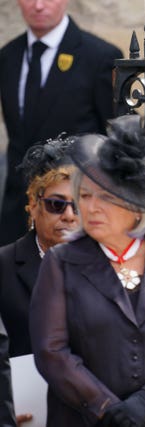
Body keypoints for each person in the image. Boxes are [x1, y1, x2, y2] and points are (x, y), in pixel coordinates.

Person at [29, 115, 145, 426]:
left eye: (105, 197)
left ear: (138, 205)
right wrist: (104, 406)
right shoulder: (60, 264)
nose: (90, 208)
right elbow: (51, 352)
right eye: (86, 195)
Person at [0, 0, 123, 246]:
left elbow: (114, 138)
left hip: (74, 206)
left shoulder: (100, 56)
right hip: (18, 210)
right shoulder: (7, 56)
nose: (38, 5)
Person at [0, 135, 77, 359]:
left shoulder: (105, 263)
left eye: (79, 205)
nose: (69, 216)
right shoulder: (4, 267)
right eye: (56, 205)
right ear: (33, 206)